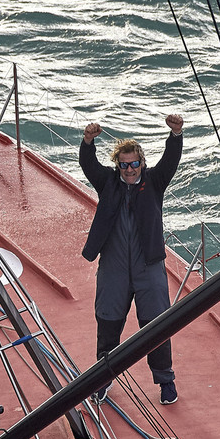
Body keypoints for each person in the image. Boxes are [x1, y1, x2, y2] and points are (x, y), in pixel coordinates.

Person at [80, 114, 184, 404]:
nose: (129, 169)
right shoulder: (108, 182)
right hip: (113, 264)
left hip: (148, 263)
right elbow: (88, 165)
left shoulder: (154, 181)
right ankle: (102, 379)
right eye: (123, 164)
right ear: (118, 165)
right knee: (108, 319)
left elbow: (170, 161)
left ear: (141, 163)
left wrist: (175, 134)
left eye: (134, 163)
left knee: (157, 323)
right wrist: (88, 141)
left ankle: (165, 381)